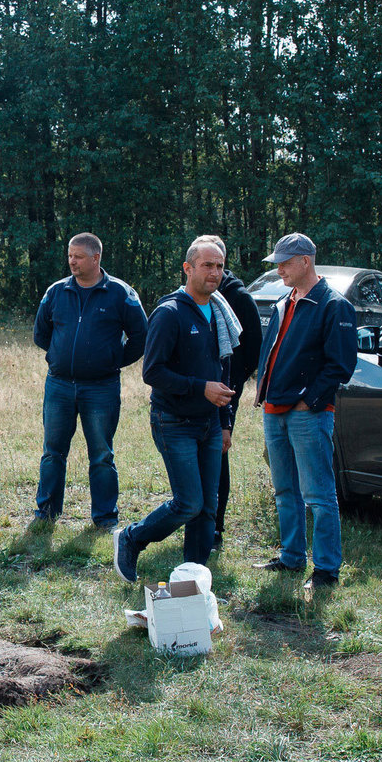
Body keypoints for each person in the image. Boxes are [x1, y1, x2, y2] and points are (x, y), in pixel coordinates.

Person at [115, 236, 238, 580]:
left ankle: (194, 579)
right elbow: (152, 372)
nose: (214, 273)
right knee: (189, 503)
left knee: (207, 508)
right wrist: (201, 388)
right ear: (188, 268)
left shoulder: (218, 312)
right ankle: (131, 538)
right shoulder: (169, 313)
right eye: (207, 265)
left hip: (210, 424)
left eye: (220, 266)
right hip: (174, 422)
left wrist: (225, 422)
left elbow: (223, 370)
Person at [252, 234, 356, 588]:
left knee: (319, 495)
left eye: (285, 262)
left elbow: (341, 365)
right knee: (284, 490)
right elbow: (271, 352)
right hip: (274, 410)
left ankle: (326, 570)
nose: (279, 269)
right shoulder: (284, 301)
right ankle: (291, 557)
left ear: (306, 261)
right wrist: (264, 395)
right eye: (277, 262)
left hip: (307, 414)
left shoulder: (333, 305)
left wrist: (307, 402)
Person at [32, 232, 146, 527]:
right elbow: (41, 333)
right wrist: (61, 355)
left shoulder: (121, 294)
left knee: (101, 454)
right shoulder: (56, 292)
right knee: (52, 452)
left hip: (101, 388)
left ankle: (105, 518)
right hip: (59, 385)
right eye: (70, 255)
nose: (72, 261)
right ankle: (46, 513)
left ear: (96, 258)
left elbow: (140, 337)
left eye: (78, 256)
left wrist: (111, 360)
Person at [210, 262, 264, 544]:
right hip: (199, 388)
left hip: (227, 388)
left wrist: (235, 381)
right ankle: (196, 516)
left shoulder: (239, 297)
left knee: (219, 448)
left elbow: (255, 344)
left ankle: (216, 525)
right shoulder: (193, 294)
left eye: (216, 264)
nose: (211, 271)